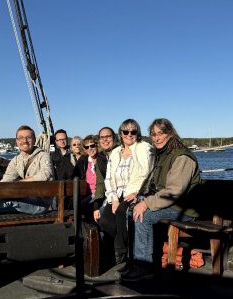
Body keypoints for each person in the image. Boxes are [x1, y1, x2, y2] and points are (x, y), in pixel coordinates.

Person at [121, 118, 201, 281]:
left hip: (184, 208)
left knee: (143, 217)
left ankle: (145, 267)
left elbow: (174, 191)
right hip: (171, 204)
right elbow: (156, 185)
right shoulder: (163, 155)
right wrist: (140, 197)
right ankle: (133, 261)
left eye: (161, 133)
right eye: (153, 134)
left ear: (170, 134)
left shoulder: (182, 157)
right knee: (131, 211)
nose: (156, 138)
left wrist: (147, 203)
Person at [95, 119, 153, 265]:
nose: (129, 134)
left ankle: (121, 254)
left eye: (133, 131)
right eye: (125, 131)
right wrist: (113, 198)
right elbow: (108, 179)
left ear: (137, 133)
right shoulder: (116, 152)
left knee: (122, 213)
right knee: (105, 220)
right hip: (117, 194)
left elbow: (150, 175)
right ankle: (125, 247)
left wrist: (138, 194)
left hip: (134, 193)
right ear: (120, 134)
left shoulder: (145, 149)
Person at [72, 135, 105, 222]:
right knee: (78, 206)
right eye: (87, 147)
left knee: (90, 208)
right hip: (88, 193)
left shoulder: (102, 159)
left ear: (97, 145)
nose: (90, 148)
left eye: (92, 145)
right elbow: (75, 174)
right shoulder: (84, 160)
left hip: (101, 193)